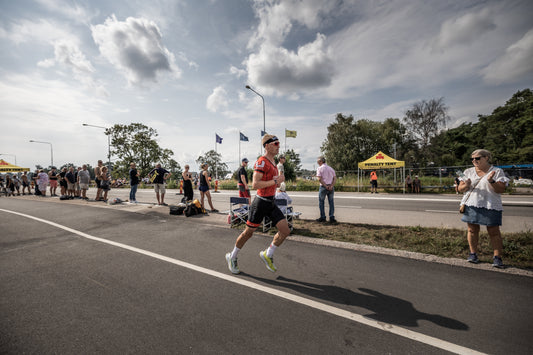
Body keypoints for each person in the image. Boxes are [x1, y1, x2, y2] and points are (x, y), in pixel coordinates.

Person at [225, 134, 289, 274]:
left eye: (278, 144)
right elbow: (255, 184)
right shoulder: (262, 161)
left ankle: (268, 254)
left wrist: (276, 181)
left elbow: (272, 182)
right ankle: (232, 256)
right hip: (260, 203)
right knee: (248, 233)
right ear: (267, 146)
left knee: (285, 230)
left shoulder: (273, 163)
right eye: (276, 144)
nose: (279, 146)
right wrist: (276, 182)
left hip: (271, 202)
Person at [458, 149, 509, 268]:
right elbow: (460, 189)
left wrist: (491, 181)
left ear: (486, 158)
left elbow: (500, 189)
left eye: (477, 158)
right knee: (472, 230)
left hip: (490, 204)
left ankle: (497, 257)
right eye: (472, 159)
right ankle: (473, 254)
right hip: (472, 204)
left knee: (494, 232)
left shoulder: (497, 171)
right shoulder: (468, 172)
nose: (474, 161)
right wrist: (466, 185)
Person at [316, 155, 337, 224]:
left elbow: (319, 178)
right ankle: (331, 217)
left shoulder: (319, 168)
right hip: (331, 187)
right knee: (331, 202)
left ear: (321, 161)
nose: (317, 163)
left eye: (318, 162)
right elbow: (334, 178)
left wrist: (325, 186)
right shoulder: (331, 168)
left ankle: (323, 217)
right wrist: (331, 186)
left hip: (323, 187)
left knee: (321, 202)